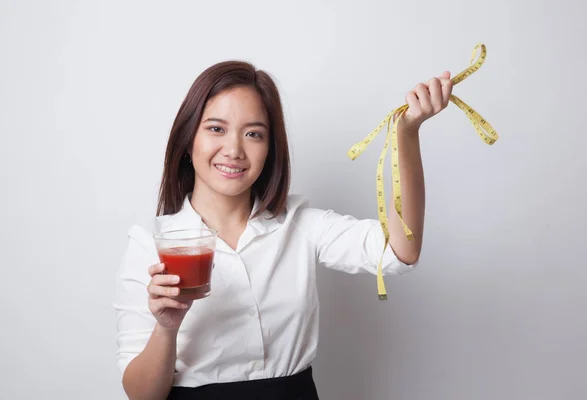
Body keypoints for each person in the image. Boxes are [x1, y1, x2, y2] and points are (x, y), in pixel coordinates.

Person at [114, 60, 453, 400]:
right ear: (188, 141)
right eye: (216, 129)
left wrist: (406, 132)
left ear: (269, 150)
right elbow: (142, 395)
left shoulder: (302, 225)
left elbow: (400, 250)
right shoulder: (150, 245)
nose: (233, 150)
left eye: (253, 134)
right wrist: (167, 328)